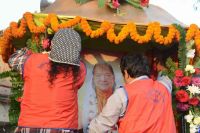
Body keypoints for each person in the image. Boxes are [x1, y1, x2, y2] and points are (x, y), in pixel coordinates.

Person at [8, 28, 86, 133]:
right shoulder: (80, 68)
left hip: (29, 126)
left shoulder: (31, 61)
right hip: (64, 128)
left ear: (52, 44)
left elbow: (12, 59)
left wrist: (32, 52)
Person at [88, 54, 176, 133]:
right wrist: (159, 66)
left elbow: (98, 127)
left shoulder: (122, 95)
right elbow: (165, 75)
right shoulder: (165, 87)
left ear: (126, 73)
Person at [82, 63, 117, 133]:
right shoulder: (86, 102)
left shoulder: (120, 99)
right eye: (98, 75)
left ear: (113, 78)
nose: (103, 79)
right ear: (93, 79)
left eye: (107, 75)